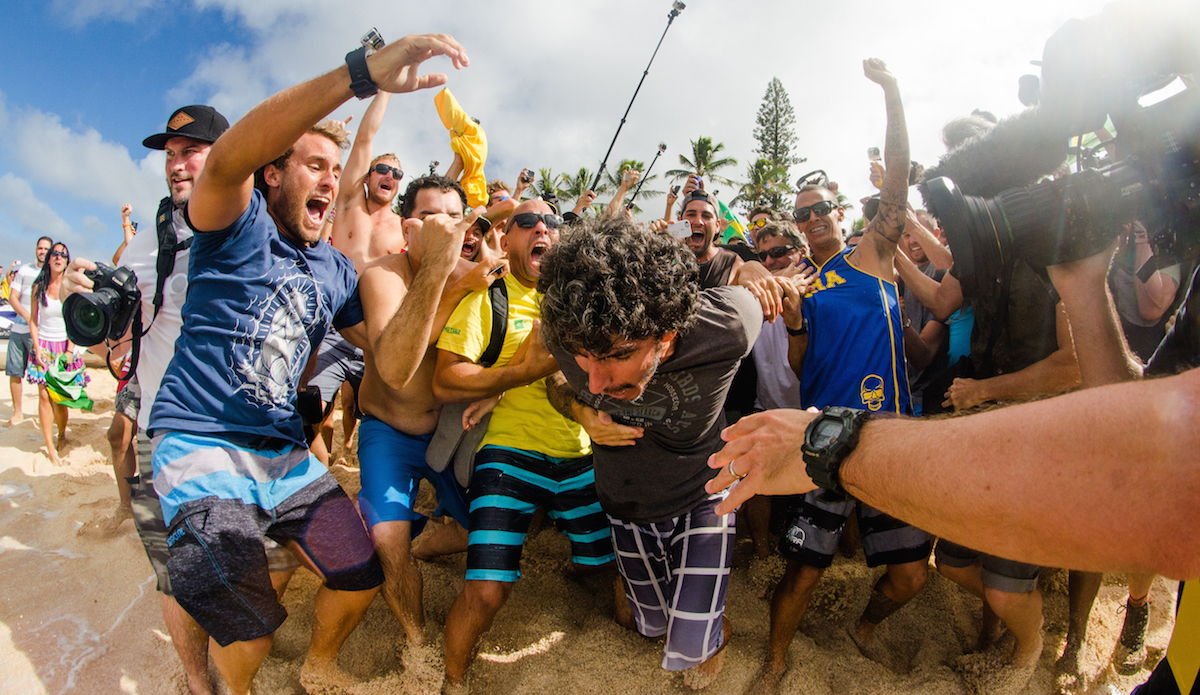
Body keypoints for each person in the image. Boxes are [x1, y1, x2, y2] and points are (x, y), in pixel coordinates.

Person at [706, 237, 1197, 695]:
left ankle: (1059, 631)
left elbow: (1146, 465)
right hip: (864, 432)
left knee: (931, 575)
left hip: (926, 431)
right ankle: (778, 661)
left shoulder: (892, 273)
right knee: (827, 571)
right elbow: (931, 311)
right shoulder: (817, 284)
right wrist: (786, 304)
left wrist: (899, 294)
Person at [146, 34, 470, 695]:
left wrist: (438, 271)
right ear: (272, 174)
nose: (330, 178)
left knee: (360, 575)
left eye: (335, 168)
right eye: (314, 165)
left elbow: (393, 363)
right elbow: (228, 156)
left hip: (283, 453)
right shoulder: (236, 224)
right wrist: (362, 73)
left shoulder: (335, 269)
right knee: (251, 631)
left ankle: (318, 663)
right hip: (202, 443)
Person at [63, 104, 306, 695]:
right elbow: (115, 341)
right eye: (170, 155)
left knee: (277, 559)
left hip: (251, 435)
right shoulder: (149, 243)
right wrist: (91, 307)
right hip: (163, 431)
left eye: (191, 151)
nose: (176, 164)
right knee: (176, 574)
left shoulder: (262, 226)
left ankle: (236, 644)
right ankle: (198, 681)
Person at [752, 59, 932, 694]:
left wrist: (892, 91)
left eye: (821, 208)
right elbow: (800, 367)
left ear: (837, 210)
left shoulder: (872, 254)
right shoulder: (802, 284)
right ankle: (775, 662)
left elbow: (898, 183)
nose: (813, 220)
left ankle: (865, 626)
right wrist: (797, 326)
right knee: (804, 571)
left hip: (890, 431)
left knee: (911, 575)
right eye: (803, 215)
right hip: (825, 436)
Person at [538, 217, 765, 690]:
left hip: (706, 494)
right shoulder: (563, 331)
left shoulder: (728, 325)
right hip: (626, 503)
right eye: (584, 356)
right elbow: (556, 381)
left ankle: (709, 631)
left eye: (617, 354)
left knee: (694, 643)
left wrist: (756, 272)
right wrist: (580, 412)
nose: (596, 381)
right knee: (650, 627)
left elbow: (753, 288)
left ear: (666, 334)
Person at [435, 199, 613, 693]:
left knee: (604, 572)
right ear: (507, 237)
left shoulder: (579, 300)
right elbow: (445, 380)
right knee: (487, 593)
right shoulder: (490, 297)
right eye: (527, 222)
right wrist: (514, 375)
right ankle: (452, 681)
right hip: (509, 454)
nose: (542, 229)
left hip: (579, 456)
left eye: (551, 222)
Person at [354, 173, 496, 660]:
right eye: (431, 216)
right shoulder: (382, 275)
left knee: (485, 525)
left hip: (450, 430)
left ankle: (429, 542)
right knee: (388, 541)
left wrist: (496, 391)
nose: (446, 228)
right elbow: (396, 363)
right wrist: (452, 286)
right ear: (406, 225)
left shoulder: (477, 273)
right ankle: (417, 642)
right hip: (389, 430)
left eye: (455, 218)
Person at [26, 242, 86, 466]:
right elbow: (33, 320)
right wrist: (36, 347)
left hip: (64, 347)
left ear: (67, 261)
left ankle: (61, 434)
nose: (59, 257)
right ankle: (50, 447)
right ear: (49, 259)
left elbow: (75, 321)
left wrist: (70, 351)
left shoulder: (70, 288)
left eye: (63, 255)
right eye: (55, 254)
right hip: (43, 346)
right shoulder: (38, 286)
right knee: (44, 396)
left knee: (59, 400)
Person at [6, 236, 51, 426]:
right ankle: (17, 412)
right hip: (19, 329)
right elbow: (12, 297)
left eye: (46, 249)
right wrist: (27, 316)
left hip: (42, 333)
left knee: (44, 375)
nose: (42, 251)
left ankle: (46, 415)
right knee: (15, 371)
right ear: (36, 250)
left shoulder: (53, 273)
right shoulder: (24, 270)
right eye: (40, 248)